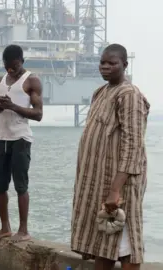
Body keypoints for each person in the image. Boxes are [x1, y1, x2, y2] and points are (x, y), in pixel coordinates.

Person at [71, 44, 149, 270]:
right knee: (104, 239)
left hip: (121, 183)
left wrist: (115, 189)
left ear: (124, 65)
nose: (105, 67)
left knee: (127, 244)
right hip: (100, 183)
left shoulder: (129, 95)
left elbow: (132, 145)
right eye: (103, 62)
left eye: (112, 63)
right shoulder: (101, 92)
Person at [0, 44, 43, 244]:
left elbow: (38, 114)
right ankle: (5, 228)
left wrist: (13, 106)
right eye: (7, 66)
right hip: (0, 138)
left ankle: (24, 230)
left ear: (22, 61)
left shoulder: (31, 80)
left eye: (15, 65)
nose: (11, 69)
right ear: (3, 64)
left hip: (21, 139)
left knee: (21, 186)